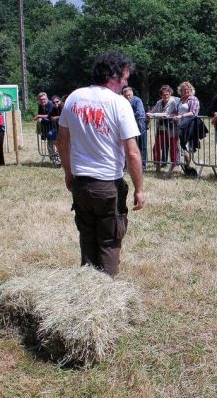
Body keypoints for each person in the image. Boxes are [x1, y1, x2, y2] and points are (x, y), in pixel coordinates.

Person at [56, 51, 144, 277]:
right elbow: (132, 153)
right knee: (109, 241)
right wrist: (139, 189)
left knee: (87, 238)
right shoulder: (119, 104)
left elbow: (62, 142)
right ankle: (106, 297)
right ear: (113, 75)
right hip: (107, 185)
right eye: (124, 77)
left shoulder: (74, 98)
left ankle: (88, 290)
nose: (126, 82)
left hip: (81, 184)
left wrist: (68, 173)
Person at [148, 85, 179, 173]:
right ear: (161, 95)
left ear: (170, 94)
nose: (166, 96)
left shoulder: (173, 102)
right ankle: (158, 167)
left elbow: (165, 114)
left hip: (172, 128)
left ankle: (172, 167)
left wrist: (153, 115)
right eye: (164, 94)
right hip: (161, 128)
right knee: (157, 147)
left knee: (173, 148)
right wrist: (148, 114)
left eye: (167, 94)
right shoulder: (159, 102)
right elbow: (153, 111)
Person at [173, 81, 200, 169]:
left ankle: (187, 166)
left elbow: (192, 112)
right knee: (181, 146)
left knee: (185, 146)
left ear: (191, 90)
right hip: (179, 126)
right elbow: (177, 111)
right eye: (183, 89)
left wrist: (181, 116)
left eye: (187, 89)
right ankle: (185, 166)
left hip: (189, 126)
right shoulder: (180, 100)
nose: (185, 91)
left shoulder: (193, 99)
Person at [122, 87, 147, 169]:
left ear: (132, 94)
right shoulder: (122, 102)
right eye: (126, 96)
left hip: (140, 126)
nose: (128, 97)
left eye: (129, 95)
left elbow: (139, 113)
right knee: (129, 146)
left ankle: (143, 165)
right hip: (128, 127)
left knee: (141, 146)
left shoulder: (137, 100)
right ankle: (128, 164)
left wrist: (127, 116)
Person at [35, 92, 58, 164]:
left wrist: (39, 116)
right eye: (41, 99)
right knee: (49, 144)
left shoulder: (51, 104)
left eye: (44, 99)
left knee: (55, 143)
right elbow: (42, 116)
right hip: (46, 128)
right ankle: (54, 159)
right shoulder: (40, 105)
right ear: (38, 100)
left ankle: (58, 158)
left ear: (47, 98)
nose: (42, 101)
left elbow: (49, 116)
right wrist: (40, 119)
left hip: (55, 127)